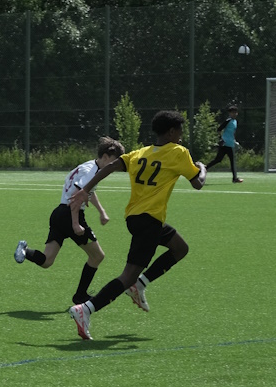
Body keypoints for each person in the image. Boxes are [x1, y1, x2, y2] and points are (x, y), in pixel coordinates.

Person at [67, 110, 206, 340]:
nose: (181, 136)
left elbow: (110, 167)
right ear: (171, 132)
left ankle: (140, 284)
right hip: (150, 221)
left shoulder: (141, 153)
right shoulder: (178, 152)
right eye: (180, 131)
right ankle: (86, 309)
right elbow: (198, 183)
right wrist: (202, 167)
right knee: (128, 275)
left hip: (136, 218)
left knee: (180, 248)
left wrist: (86, 189)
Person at [14, 137, 124, 305]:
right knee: (97, 256)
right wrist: (75, 223)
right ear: (105, 156)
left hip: (59, 213)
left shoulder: (89, 166)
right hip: (70, 215)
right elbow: (76, 198)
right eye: (114, 162)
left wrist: (101, 211)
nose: (114, 167)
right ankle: (80, 296)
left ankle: (24, 250)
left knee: (47, 261)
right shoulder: (91, 171)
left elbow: (88, 191)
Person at [206, 105, 243, 183]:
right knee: (218, 159)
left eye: (235, 112)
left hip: (230, 144)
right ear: (230, 113)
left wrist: (234, 141)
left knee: (232, 161)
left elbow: (232, 132)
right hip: (224, 144)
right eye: (232, 112)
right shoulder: (228, 120)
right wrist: (221, 139)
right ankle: (204, 168)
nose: (234, 114)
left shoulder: (235, 122)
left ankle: (235, 178)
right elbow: (219, 129)